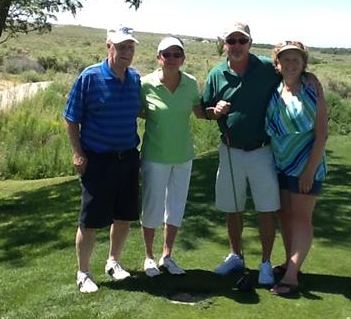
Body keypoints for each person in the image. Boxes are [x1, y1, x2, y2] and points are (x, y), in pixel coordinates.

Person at [201, 22, 282, 286]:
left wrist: (311, 80)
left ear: (250, 42)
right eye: (231, 41)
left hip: (262, 150)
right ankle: (236, 255)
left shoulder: (268, 68)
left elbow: (295, 73)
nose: (237, 46)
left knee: (266, 208)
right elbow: (204, 111)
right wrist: (215, 112)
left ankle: (266, 263)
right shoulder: (216, 74)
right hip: (230, 151)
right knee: (232, 208)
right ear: (224, 44)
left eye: (242, 41)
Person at [64, 26, 141, 293]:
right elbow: (72, 118)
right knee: (90, 220)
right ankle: (83, 273)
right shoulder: (90, 77)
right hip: (98, 160)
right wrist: (78, 152)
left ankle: (113, 261)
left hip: (129, 157)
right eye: (121, 47)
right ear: (109, 47)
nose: (126, 52)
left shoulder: (134, 79)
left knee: (124, 216)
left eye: (130, 47)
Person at [265, 41, 328, 296]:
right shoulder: (275, 88)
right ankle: (291, 263)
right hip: (280, 164)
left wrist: (309, 171)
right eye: (285, 59)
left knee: (301, 218)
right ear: (277, 64)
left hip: (306, 165)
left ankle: (291, 277)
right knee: (285, 216)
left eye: (296, 59)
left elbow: (322, 134)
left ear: (304, 64)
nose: (291, 64)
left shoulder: (312, 89)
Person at [139, 36, 205, 277]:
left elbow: (199, 112)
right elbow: (136, 111)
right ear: (159, 58)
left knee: (175, 207)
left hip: (183, 156)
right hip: (155, 156)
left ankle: (167, 256)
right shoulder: (145, 84)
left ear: (184, 59)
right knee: (152, 207)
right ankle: (148, 258)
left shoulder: (190, 83)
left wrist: (218, 111)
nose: (172, 59)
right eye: (167, 54)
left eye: (177, 54)